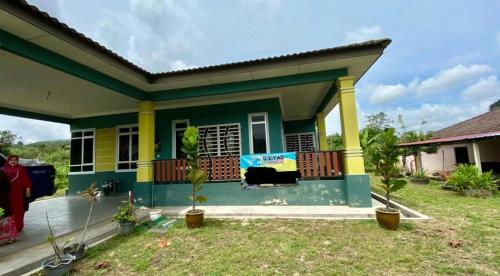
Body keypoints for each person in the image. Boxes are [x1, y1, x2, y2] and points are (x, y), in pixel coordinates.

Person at [1, 155, 32, 232]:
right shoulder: (2, 170)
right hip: (6, 195)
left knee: (19, 210)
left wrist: (28, 189)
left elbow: (26, 180)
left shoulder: (20, 169)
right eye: (11, 160)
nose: (13, 161)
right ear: (8, 161)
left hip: (18, 194)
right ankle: (8, 228)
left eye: (15, 160)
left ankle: (18, 227)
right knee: (8, 211)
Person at [0, 169, 17, 243]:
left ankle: (11, 236)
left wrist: (3, 193)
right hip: (3, 197)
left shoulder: (1, 173)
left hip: (3, 199)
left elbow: (9, 185)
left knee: (7, 216)